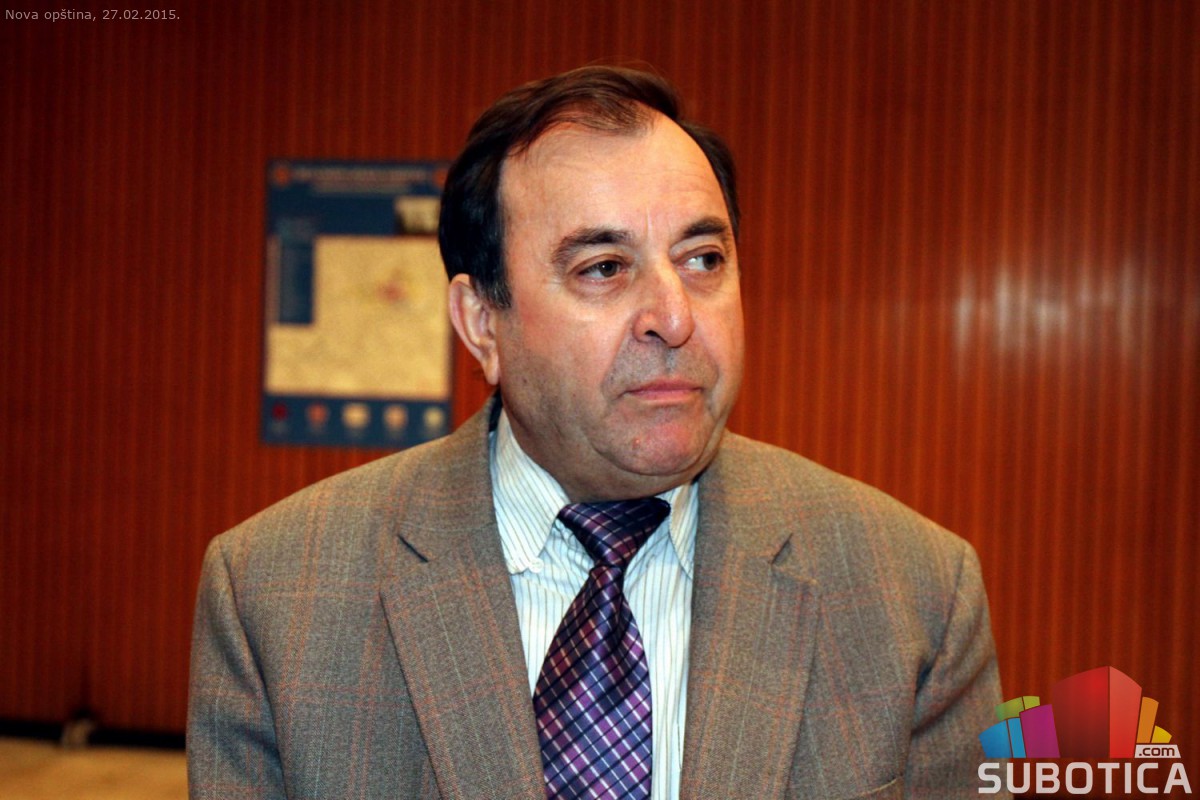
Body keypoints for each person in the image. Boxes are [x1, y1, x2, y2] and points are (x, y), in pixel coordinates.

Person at [188, 66, 1004, 800]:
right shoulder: (275, 596)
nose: (675, 317)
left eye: (703, 258)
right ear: (482, 322)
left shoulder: (916, 592)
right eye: (604, 268)